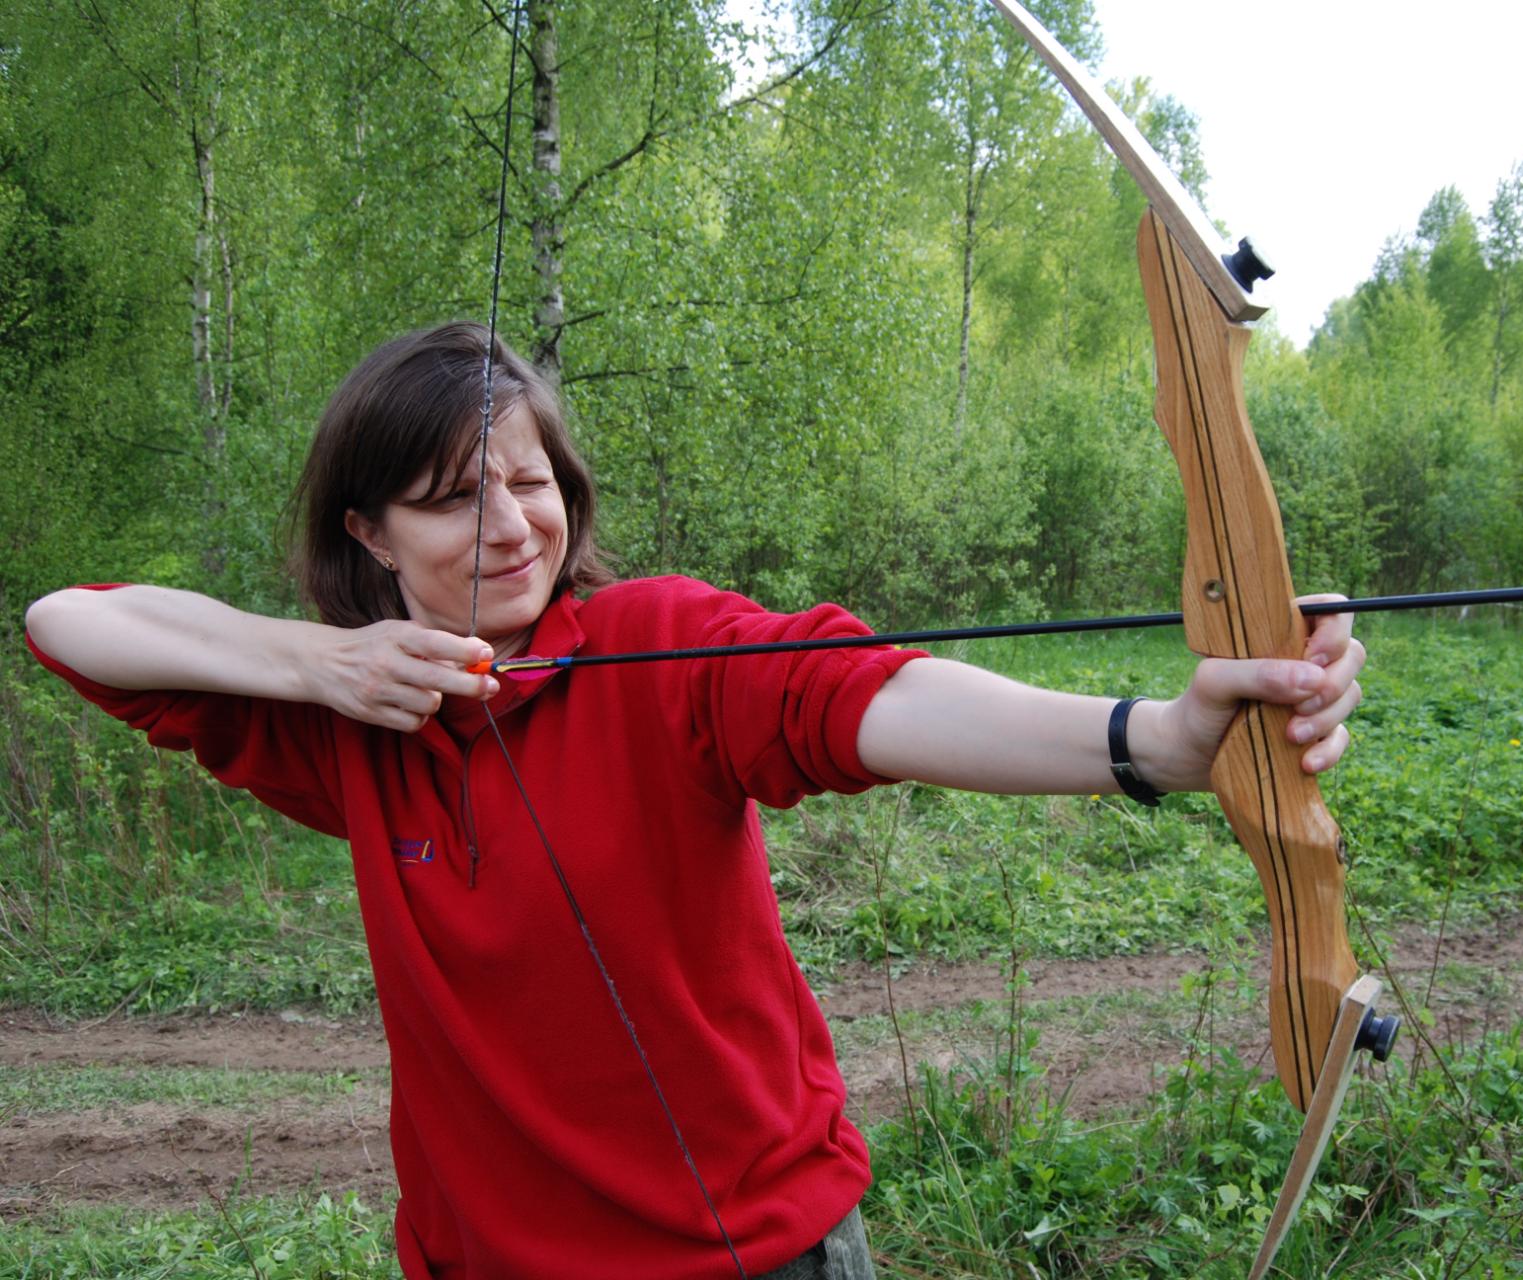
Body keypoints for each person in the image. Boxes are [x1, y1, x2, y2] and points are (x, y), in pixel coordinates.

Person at [23, 322, 1365, 1280]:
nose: (511, 527)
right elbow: (68, 623)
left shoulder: (656, 646)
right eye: (449, 500)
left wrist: (1156, 742)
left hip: (749, 1253)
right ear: (368, 533)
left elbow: (865, 696)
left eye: (530, 481)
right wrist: (321, 662)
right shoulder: (348, 726)